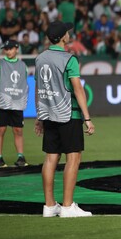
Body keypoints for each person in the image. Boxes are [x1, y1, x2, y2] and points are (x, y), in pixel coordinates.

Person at [34, 21, 95, 218]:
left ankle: (50, 206)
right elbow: (78, 89)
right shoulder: (70, 59)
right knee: (73, 157)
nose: (69, 34)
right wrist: (87, 118)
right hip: (69, 114)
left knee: (51, 158)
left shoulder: (40, 59)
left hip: (48, 114)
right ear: (62, 37)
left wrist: (39, 117)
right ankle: (68, 207)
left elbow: (39, 89)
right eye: (67, 32)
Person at [0, 40, 29, 168]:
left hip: (17, 102)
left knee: (18, 130)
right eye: (6, 49)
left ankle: (21, 157)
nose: (8, 51)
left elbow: (23, 83)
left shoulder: (23, 66)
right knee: (1, 129)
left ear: (17, 49)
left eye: (10, 48)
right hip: (2, 102)